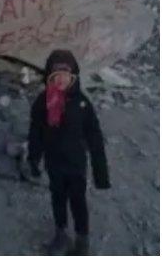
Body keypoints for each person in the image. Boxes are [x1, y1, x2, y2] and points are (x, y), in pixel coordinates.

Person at [27, 49, 110, 255]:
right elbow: (35, 132)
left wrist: (101, 173)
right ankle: (61, 234)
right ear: (49, 77)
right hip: (54, 163)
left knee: (78, 201)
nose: (61, 80)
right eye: (56, 76)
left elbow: (95, 137)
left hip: (75, 165)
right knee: (57, 198)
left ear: (73, 77)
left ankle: (82, 240)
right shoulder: (42, 103)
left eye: (66, 75)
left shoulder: (82, 104)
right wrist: (33, 158)